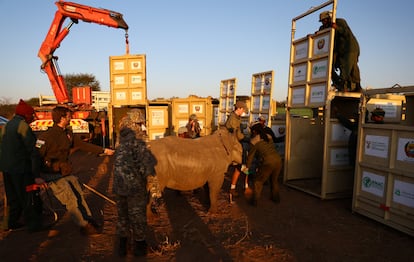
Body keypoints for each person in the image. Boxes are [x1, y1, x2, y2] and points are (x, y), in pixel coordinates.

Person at [36, 106, 114, 236]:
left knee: (78, 192)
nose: (71, 118)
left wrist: (104, 150)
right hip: (50, 175)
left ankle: (87, 219)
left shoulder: (67, 134)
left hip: (63, 173)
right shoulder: (45, 137)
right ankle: (83, 225)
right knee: (70, 199)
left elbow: (83, 145)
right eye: (68, 116)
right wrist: (36, 176)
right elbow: (35, 157)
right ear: (62, 118)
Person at [113, 114, 157, 257]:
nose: (143, 125)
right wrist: (155, 190)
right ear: (137, 123)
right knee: (138, 218)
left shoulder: (120, 138)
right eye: (141, 123)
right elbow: (146, 166)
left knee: (122, 218)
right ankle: (139, 249)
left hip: (119, 185)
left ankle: (121, 248)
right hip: (135, 186)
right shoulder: (140, 140)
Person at [0, 99, 47, 232]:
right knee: (28, 197)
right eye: (31, 115)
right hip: (20, 168)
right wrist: (42, 142)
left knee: (12, 197)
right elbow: (33, 149)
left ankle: (10, 222)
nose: (32, 118)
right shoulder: (22, 126)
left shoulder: (7, 125)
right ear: (26, 115)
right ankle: (33, 225)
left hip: (6, 168)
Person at [319, 11, 361, 92]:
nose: (323, 23)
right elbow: (321, 34)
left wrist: (336, 27)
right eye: (322, 21)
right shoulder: (325, 27)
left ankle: (351, 86)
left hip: (350, 48)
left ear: (329, 19)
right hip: (339, 51)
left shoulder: (340, 22)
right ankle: (344, 84)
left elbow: (346, 33)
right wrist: (314, 35)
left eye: (325, 20)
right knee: (338, 66)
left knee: (349, 67)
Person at [245, 122, 282, 207]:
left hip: (268, 162)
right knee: (274, 180)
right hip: (278, 160)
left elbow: (250, 156)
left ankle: (254, 201)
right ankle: (276, 198)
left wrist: (247, 167)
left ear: (254, 131)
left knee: (258, 181)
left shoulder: (254, 141)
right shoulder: (269, 136)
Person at [225, 101, 249, 198]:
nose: (243, 112)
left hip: (234, 138)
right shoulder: (233, 118)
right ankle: (243, 163)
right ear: (239, 109)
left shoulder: (236, 117)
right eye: (243, 110)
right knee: (246, 147)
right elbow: (237, 134)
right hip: (233, 140)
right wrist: (246, 138)